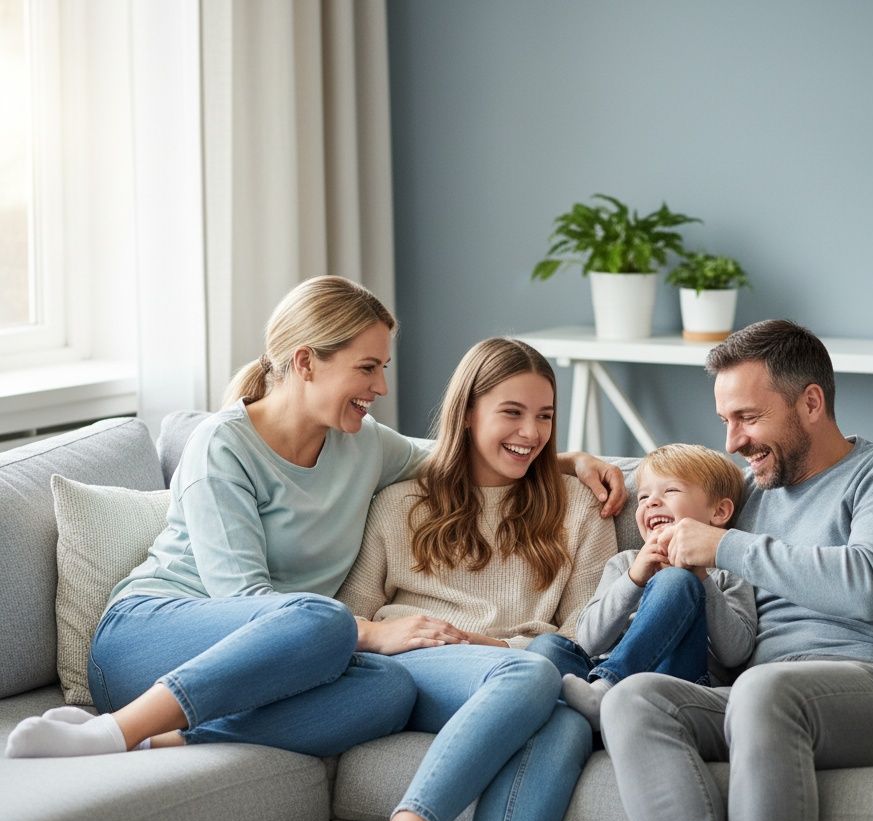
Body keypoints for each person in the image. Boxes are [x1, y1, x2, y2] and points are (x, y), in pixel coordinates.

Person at [5, 277, 625, 761]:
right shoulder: (222, 447)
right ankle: (112, 732)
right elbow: (243, 601)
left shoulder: (364, 443)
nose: (381, 385)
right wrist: (372, 632)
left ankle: (165, 740)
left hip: (282, 654)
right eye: (367, 367)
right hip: (149, 640)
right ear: (305, 363)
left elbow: (462, 456)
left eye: (382, 366)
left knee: (388, 691)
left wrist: (564, 459)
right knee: (323, 620)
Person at [601, 319, 873, 821]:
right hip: (764, 697)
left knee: (765, 691)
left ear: (810, 403)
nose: (734, 441)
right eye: (726, 421)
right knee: (634, 699)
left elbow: (868, 586)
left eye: (748, 418)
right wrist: (575, 464)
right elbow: (656, 488)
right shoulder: (755, 496)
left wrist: (726, 545)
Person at [336, 337, 618, 821]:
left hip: (523, 675)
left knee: (564, 716)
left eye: (544, 416)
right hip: (420, 668)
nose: (532, 432)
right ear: (467, 412)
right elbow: (349, 621)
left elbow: (584, 637)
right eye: (511, 412)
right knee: (536, 677)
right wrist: (406, 634)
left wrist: (493, 648)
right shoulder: (399, 502)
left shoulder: (579, 509)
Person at [527, 443, 756, 730]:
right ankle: (584, 720)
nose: (650, 502)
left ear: (720, 511)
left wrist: (699, 577)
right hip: (598, 677)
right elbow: (588, 641)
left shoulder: (727, 569)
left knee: (675, 581)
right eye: (644, 496)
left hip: (676, 682)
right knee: (547, 646)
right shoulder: (625, 564)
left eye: (670, 491)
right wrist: (634, 579)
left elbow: (737, 652)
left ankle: (604, 697)